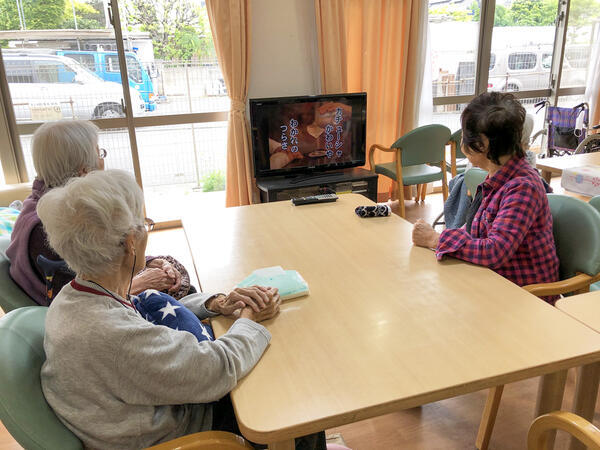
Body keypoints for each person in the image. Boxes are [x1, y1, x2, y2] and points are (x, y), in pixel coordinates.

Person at [38, 169, 326, 449]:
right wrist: (249, 319)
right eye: (144, 223)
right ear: (130, 244)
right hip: (184, 435)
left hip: (145, 408)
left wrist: (217, 304)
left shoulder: (75, 294)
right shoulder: (110, 335)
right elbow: (217, 369)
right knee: (296, 403)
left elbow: (139, 307)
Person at [7, 120, 188, 305]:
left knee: (176, 283)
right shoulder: (52, 227)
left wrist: (148, 262)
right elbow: (81, 299)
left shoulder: (54, 204)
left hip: (103, 297)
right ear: (83, 170)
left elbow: (103, 257)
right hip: (84, 317)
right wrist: (141, 281)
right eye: (98, 152)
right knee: (177, 293)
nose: (102, 161)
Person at [412, 92, 560, 302]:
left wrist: (435, 239)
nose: (462, 143)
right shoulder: (497, 176)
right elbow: (477, 231)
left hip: (524, 295)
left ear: (483, 144)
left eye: (465, 137)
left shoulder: (522, 187)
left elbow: (495, 251)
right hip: (492, 280)